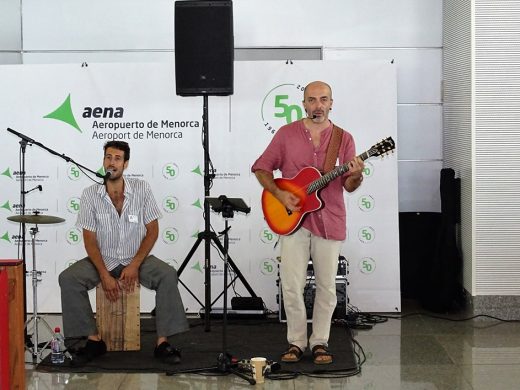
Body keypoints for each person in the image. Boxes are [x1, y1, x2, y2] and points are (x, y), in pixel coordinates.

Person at [252, 81, 364, 365]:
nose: (318, 105)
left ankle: (320, 342)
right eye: (312, 100)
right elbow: (261, 167)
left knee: (327, 287)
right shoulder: (286, 134)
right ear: (303, 104)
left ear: (331, 103)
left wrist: (356, 174)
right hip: (293, 222)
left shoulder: (343, 138)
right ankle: (296, 342)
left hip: (330, 219)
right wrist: (279, 194)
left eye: (323, 99)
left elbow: (350, 185)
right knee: (291, 285)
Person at [59, 140, 189, 364]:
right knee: (68, 278)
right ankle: (94, 340)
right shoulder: (90, 194)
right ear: (103, 161)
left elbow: (152, 231)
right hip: (103, 258)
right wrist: (103, 274)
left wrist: (135, 265)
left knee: (167, 274)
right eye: (108, 157)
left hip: (135, 257)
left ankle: (162, 343)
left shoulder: (142, 189)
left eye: (117, 158)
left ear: (126, 164)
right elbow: (89, 239)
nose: (112, 162)